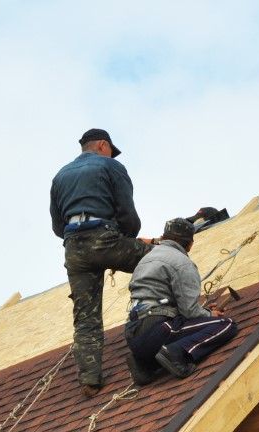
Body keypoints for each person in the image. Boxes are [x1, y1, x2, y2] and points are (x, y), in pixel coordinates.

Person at [50, 128, 152, 398]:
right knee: (157, 258)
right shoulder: (111, 166)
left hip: (74, 248)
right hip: (104, 237)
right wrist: (127, 241)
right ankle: (166, 321)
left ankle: (90, 380)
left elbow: (57, 225)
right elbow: (127, 212)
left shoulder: (60, 176)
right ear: (103, 145)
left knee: (86, 317)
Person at [124, 218, 238, 384]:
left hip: (134, 334)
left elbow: (164, 302)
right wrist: (209, 315)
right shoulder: (182, 263)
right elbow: (190, 311)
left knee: (184, 325)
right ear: (190, 244)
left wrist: (204, 311)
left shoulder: (146, 260)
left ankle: (145, 364)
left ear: (163, 237)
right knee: (226, 324)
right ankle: (176, 353)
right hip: (159, 328)